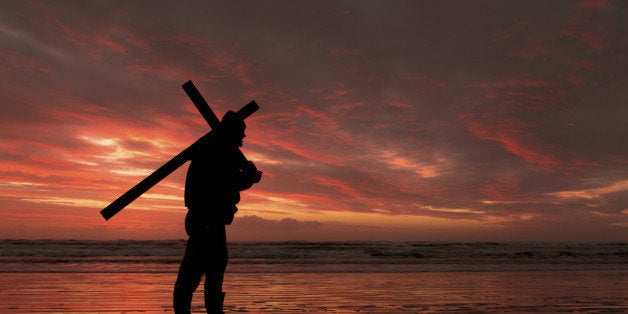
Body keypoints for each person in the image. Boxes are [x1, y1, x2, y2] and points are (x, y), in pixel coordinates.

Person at [173, 111, 262, 313]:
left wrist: (247, 175)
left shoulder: (215, 150)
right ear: (231, 132)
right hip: (206, 219)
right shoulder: (218, 152)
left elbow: (228, 182)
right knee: (194, 271)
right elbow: (229, 182)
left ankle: (214, 311)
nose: (244, 137)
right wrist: (251, 178)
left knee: (215, 267)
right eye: (241, 132)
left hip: (210, 218)